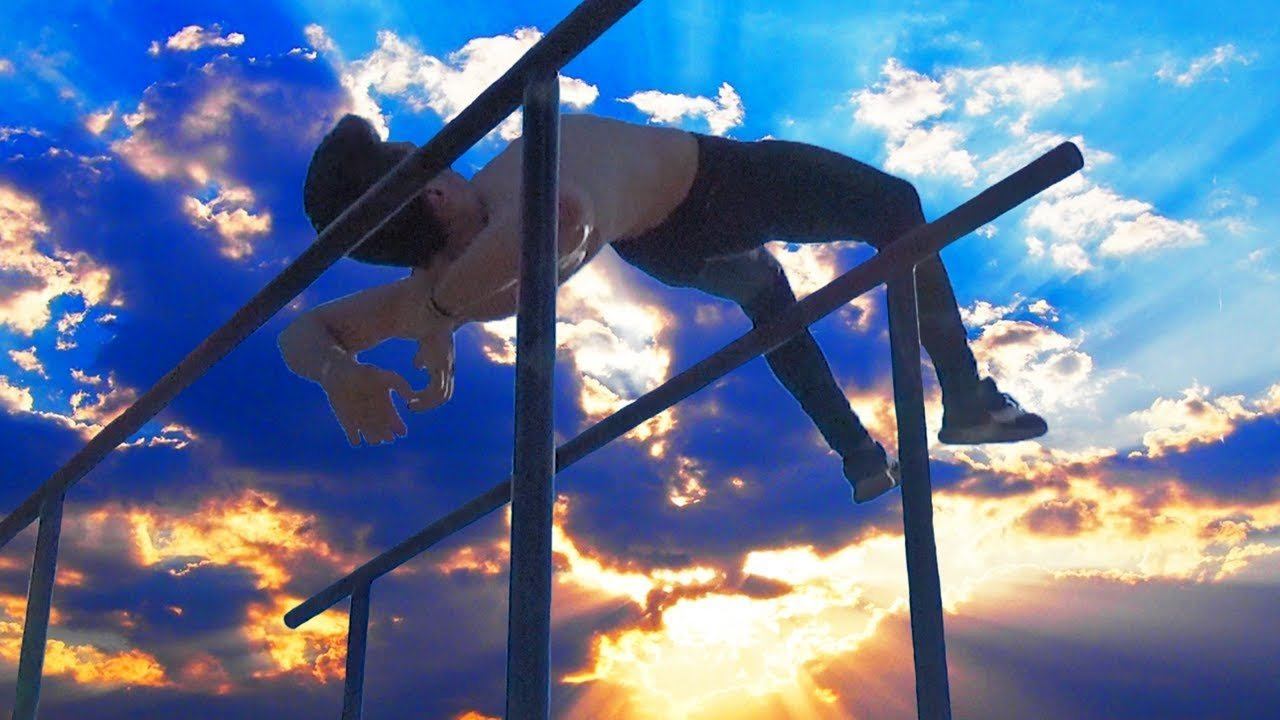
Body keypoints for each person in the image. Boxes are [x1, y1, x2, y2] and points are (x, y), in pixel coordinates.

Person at [282, 112, 1046, 504]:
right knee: (894, 204)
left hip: (665, 247)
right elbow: (559, 218)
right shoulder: (492, 218)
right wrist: (439, 309)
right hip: (715, 184)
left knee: (769, 299)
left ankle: (858, 457)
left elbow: (302, 332)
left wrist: (337, 371)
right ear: (433, 191)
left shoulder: (440, 282)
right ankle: (967, 397)